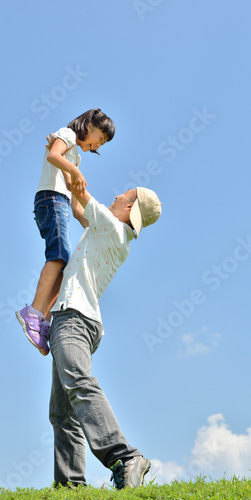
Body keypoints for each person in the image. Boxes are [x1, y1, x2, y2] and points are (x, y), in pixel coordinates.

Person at [48, 185, 162, 489]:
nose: (115, 196)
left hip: (73, 318)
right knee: (62, 413)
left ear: (129, 208)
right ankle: (70, 486)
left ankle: (124, 457)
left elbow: (80, 189)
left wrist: (68, 157)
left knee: (80, 385)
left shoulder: (111, 226)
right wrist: (68, 178)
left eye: (123, 195)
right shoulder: (108, 231)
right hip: (73, 318)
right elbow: (77, 208)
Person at [15, 109, 115, 356]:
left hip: (60, 203)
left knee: (66, 266)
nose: (97, 145)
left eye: (101, 144)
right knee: (58, 256)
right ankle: (33, 313)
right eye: (99, 138)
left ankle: (42, 322)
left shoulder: (75, 158)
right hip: (50, 199)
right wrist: (76, 171)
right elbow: (53, 155)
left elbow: (73, 197)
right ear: (89, 125)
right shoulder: (67, 134)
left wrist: (89, 223)